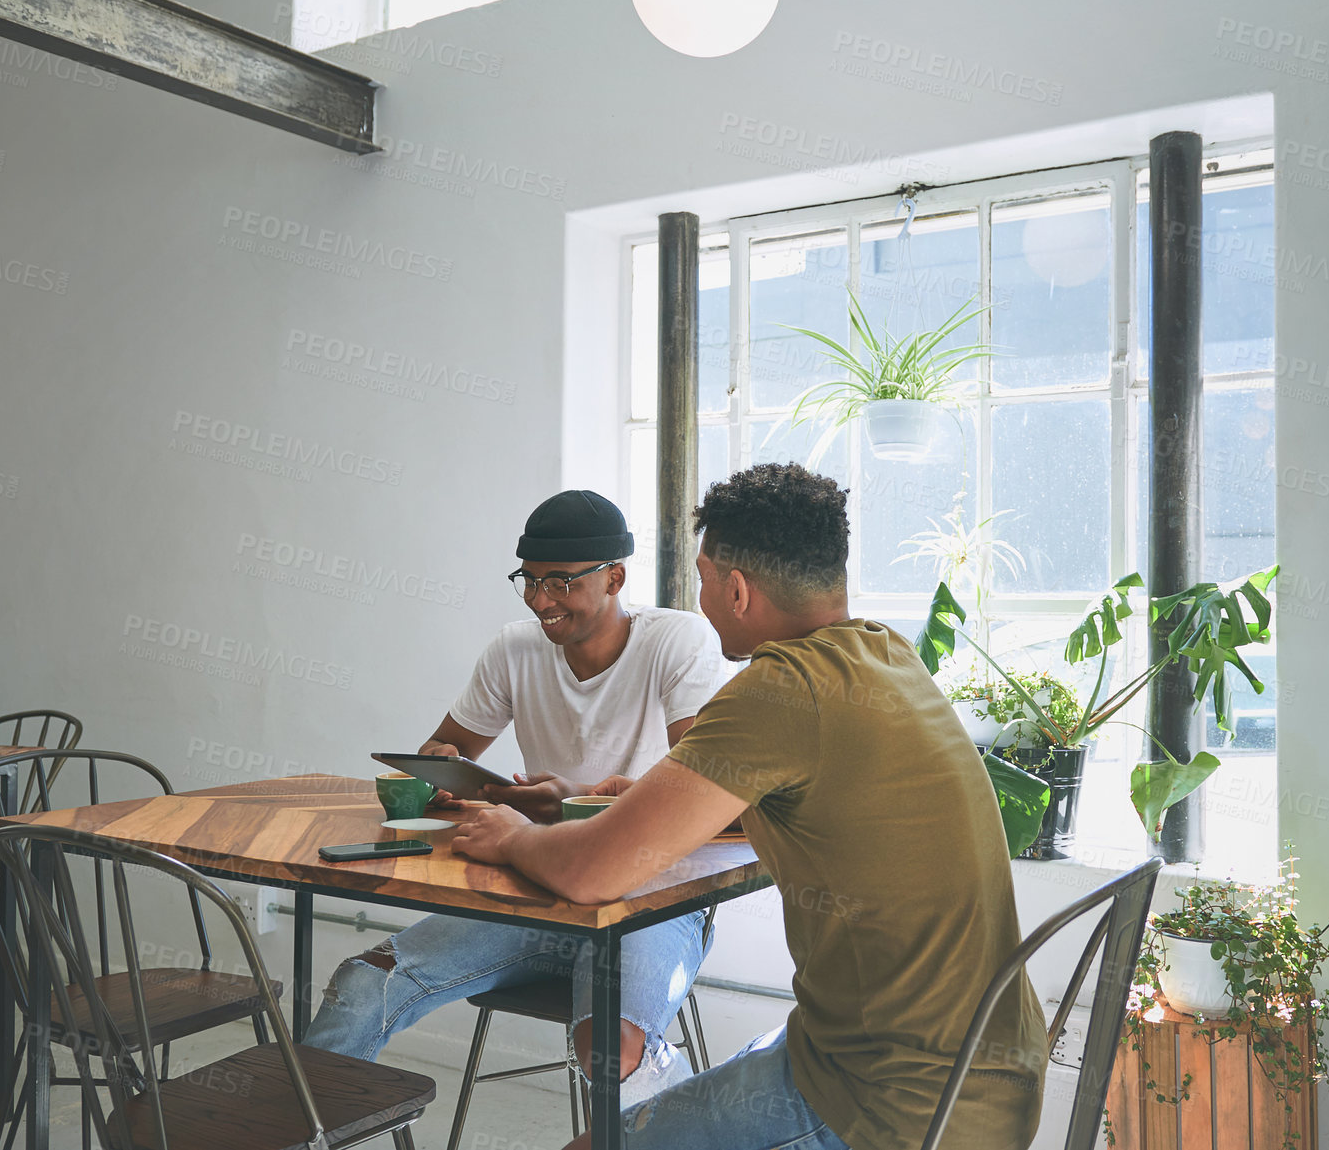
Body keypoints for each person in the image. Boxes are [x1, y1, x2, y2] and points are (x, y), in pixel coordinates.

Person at [450, 463, 1049, 1150]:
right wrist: (639, 798)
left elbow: (590, 873)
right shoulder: (883, 654)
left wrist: (508, 834)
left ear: (736, 588)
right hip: (986, 1072)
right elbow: (808, 800)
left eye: (702, 577)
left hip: (890, 1105)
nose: (697, 596)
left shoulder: (779, 687)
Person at [305, 489, 725, 1107]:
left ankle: (680, 1114)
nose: (539, 601)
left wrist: (573, 798)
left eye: (559, 582)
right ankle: (304, 1133)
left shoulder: (678, 642)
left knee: (612, 1050)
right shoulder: (516, 648)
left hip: (649, 894)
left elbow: (704, 797)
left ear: (615, 578)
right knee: (362, 983)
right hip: (534, 885)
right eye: (528, 581)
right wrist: (444, 773)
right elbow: (446, 747)